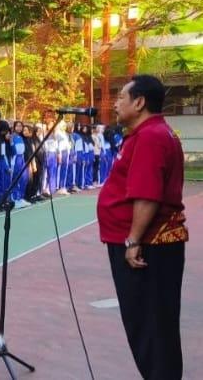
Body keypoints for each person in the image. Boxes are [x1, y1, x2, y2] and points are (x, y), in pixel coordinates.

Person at [97, 75, 187, 380]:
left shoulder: (150, 137)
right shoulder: (150, 133)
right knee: (153, 327)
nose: (116, 102)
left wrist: (133, 240)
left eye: (122, 96)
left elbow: (147, 194)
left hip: (149, 247)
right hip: (152, 244)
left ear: (139, 102)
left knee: (150, 329)